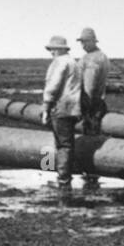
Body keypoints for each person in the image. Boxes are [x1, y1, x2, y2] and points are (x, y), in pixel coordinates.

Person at [41, 34, 82, 187]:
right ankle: (65, 176)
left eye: (52, 49)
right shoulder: (74, 63)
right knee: (67, 143)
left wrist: (46, 108)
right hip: (73, 109)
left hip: (61, 108)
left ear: (58, 50)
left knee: (63, 145)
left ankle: (63, 179)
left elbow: (53, 86)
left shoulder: (59, 63)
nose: (51, 53)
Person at [76, 27, 110, 186]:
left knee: (90, 139)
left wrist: (85, 107)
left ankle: (90, 174)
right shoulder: (102, 56)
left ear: (91, 41)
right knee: (95, 137)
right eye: (81, 42)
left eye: (84, 42)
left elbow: (89, 86)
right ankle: (92, 174)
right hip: (99, 103)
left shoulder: (92, 60)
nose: (82, 45)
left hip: (91, 104)